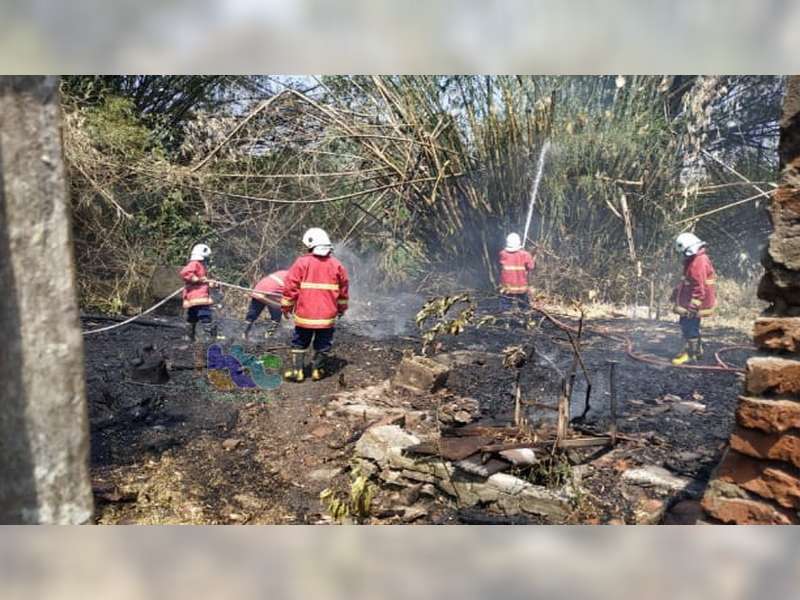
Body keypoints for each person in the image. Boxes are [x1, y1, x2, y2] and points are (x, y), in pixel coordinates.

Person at [281, 228, 349, 382]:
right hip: (327, 318)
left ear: (310, 245)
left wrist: (286, 307)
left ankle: (298, 372)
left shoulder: (302, 262)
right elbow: (343, 292)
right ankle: (318, 370)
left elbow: (290, 287)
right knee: (323, 343)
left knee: (300, 342)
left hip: (305, 316)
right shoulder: (337, 265)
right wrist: (341, 309)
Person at [671, 232, 716, 365]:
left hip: (695, 302)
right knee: (689, 325)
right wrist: (676, 293)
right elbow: (688, 281)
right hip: (691, 300)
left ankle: (690, 355)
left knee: (689, 326)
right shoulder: (695, 259)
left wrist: (693, 306)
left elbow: (698, 286)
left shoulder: (698, 262)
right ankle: (697, 351)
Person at [180, 243, 217, 342]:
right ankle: (208, 337)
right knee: (205, 315)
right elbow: (185, 273)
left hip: (193, 297)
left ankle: (189, 337)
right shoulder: (195, 263)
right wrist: (197, 279)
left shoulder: (200, 265)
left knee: (192, 316)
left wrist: (209, 283)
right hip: (199, 296)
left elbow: (201, 280)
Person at [243, 267, 288, 340]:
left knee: (252, 314)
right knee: (276, 315)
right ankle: (268, 336)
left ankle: (244, 333)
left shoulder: (284, 272)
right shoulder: (294, 277)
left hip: (261, 288)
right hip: (272, 291)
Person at [498, 232, 535, 311]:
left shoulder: (503, 254)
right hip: (521, 288)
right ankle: (525, 319)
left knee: (504, 308)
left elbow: (499, 265)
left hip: (507, 288)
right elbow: (531, 267)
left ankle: (504, 321)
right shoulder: (525, 254)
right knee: (524, 307)